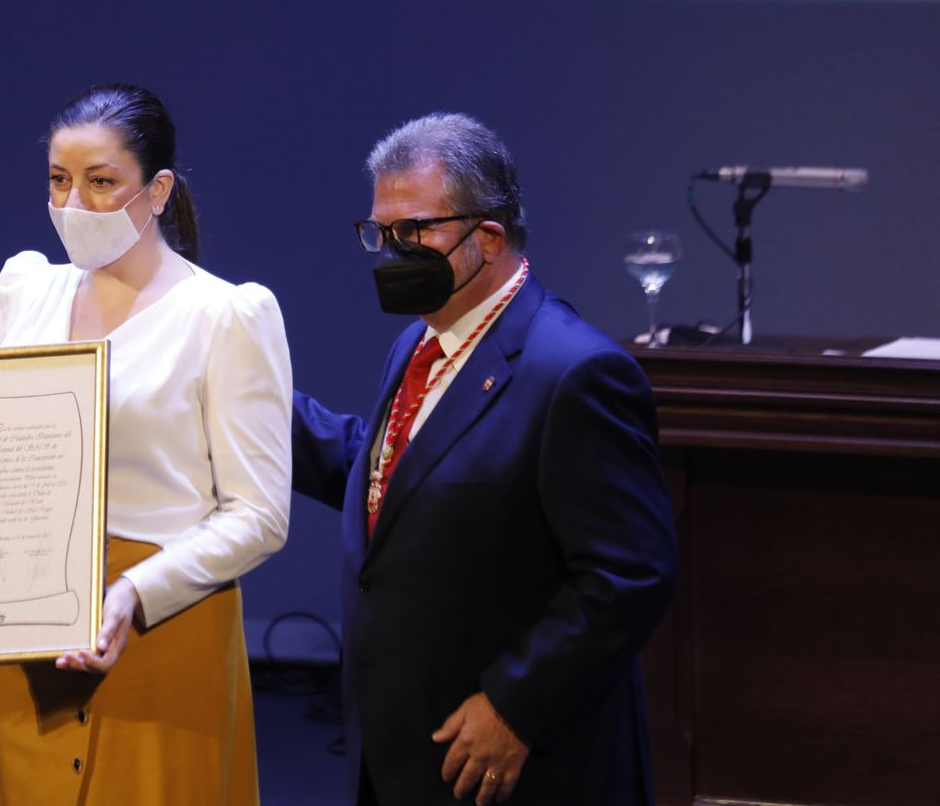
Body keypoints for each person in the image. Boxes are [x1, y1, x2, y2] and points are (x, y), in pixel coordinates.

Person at [0, 83, 291, 804]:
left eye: (102, 183)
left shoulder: (225, 314)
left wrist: (134, 591)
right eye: (59, 181)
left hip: (164, 621)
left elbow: (259, 514)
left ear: (157, 190)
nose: (75, 203)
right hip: (33, 619)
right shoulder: (25, 289)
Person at [290, 113, 678, 806]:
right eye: (380, 233)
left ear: (488, 236)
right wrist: (254, 402)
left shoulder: (576, 371)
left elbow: (629, 574)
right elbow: (394, 478)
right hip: (402, 751)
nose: (391, 252)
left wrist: (516, 703)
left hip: (516, 765)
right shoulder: (417, 344)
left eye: (415, 232)